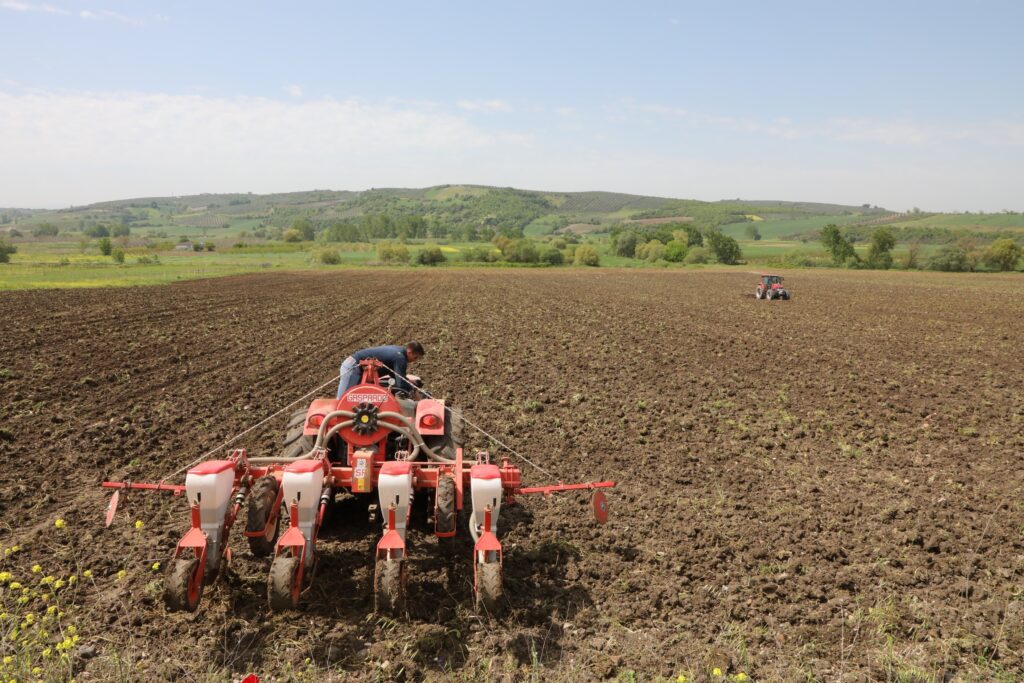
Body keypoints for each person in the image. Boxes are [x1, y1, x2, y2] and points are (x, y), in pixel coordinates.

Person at [337, 341, 425, 398]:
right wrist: (413, 386)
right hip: (353, 367)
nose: (414, 361)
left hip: (356, 367)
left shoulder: (399, 352)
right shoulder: (400, 358)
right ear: (410, 352)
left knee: (353, 399)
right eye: (415, 357)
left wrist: (409, 381)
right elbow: (400, 384)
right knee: (344, 400)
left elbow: (395, 375)